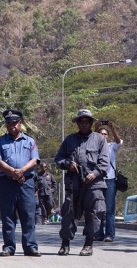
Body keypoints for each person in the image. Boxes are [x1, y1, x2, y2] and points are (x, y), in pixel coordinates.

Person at [54, 109, 109, 256]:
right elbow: (58, 159)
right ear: (77, 123)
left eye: (87, 121)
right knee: (68, 213)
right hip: (74, 183)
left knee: (95, 213)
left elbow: (104, 163)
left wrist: (94, 174)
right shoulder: (69, 140)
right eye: (81, 121)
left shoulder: (100, 139)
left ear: (91, 123)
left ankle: (88, 244)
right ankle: (65, 244)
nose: (84, 124)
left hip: (94, 184)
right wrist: (67, 164)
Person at [0, 109, 42, 257]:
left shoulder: (30, 141)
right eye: (9, 124)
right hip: (7, 183)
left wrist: (22, 171)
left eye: (15, 123)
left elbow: (34, 160)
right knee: (8, 216)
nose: (12, 126)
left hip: (26, 183)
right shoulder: (1, 141)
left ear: (20, 123)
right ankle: (9, 247)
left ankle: (30, 246)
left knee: (28, 215)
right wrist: (13, 172)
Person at [94, 120, 123, 242]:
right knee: (98, 209)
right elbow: (92, 139)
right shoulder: (94, 147)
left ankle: (109, 234)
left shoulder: (112, 147)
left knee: (109, 209)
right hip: (97, 180)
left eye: (105, 134)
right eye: (101, 134)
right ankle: (99, 233)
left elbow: (119, 141)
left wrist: (112, 127)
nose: (103, 136)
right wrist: (96, 128)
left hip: (110, 180)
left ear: (108, 136)